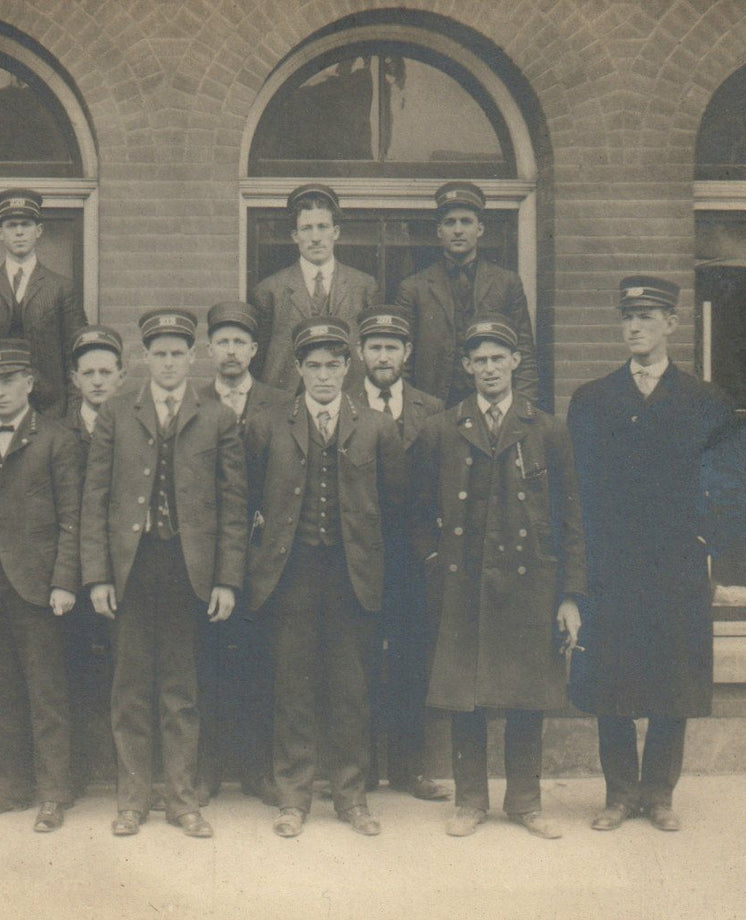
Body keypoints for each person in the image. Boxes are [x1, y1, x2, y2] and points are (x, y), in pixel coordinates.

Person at [567, 276, 736, 833]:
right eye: (627, 317)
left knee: (673, 678)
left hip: (675, 567)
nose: (635, 327)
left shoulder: (705, 401)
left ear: (671, 324)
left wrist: (707, 550)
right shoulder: (592, 400)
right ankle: (618, 793)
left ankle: (659, 793)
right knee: (611, 675)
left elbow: (726, 487)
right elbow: (578, 489)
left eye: (648, 316)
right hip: (612, 566)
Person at [411, 315, 585, 839]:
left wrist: (570, 594)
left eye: (497, 358)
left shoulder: (547, 429)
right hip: (462, 584)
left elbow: (572, 518)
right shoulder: (443, 427)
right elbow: (415, 512)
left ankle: (526, 803)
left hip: (530, 585)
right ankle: (470, 802)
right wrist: (432, 564)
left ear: (514, 362)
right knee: (466, 695)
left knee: (526, 695)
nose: (489, 368)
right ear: (466, 367)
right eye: (478, 360)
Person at [81, 308, 247, 839]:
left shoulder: (217, 415)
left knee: (181, 689)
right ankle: (131, 801)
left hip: (187, 570)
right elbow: (96, 500)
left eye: (179, 353)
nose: (170, 362)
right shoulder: (116, 414)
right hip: (132, 568)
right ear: (143, 359)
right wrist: (98, 576)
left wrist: (226, 579)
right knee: (129, 688)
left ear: (193, 357)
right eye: (160, 354)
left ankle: (181, 799)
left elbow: (233, 506)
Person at [246, 316, 406, 838]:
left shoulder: (376, 426)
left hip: (351, 573)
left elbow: (395, 509)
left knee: (350, 688)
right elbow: (248, 498)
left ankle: (351, 797)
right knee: (291, 686)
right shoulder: (269, 422)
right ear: (297, 368)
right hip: (291, 573)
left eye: (332, 365)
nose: (322, 376)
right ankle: (293, 798)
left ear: (347, 366)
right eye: (312, 366)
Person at [0, 340, 83, 832]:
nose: (0, 392)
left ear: (29, 383)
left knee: (46, 689)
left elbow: (73, 518)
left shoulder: (57, 439)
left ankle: (53, 793)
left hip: (38, 585)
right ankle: (6, 787)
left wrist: (64, 581)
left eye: (9, 381)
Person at [195, 301, 291, 805]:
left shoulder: (280, 403)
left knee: (262, 663)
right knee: (207, 662)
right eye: (222, 342)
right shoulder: (192, 401)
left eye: (240, 342)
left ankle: (259, 770)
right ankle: (207, 768)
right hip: (207, 556)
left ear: (255, 350)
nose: (231, 351)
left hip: (265, 556)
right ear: (210, 349)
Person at [355, 308, 451, 802]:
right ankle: (363, 767)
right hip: (357, 551)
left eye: (393, 347)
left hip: (413, 555)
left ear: (407, 354)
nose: (383, 356)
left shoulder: (432, 410)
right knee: (362, 656)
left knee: (413, 658)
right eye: (374, 346)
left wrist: (433, 549)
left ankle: (410, 767)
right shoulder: (344, 403)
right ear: (360, 353)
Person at [395, 181, 540, 408]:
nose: (458, 230)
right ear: (439, 231)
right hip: (434, 409)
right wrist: (411, 413)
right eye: (450, 222)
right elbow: (402, 360)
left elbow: (524, 353)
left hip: (492, 404)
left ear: (480, 229)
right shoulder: (414, 287)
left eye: (466, 221)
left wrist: (523, 408)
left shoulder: (506, 282)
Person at [62, 324, 126, 797]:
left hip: (119, 568)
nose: (98, 381)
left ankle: (124, 770)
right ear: (74, 379)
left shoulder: (136, 424)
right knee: (73, 668)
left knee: (124, 669)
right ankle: (77, 769)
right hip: (68, 568)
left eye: (107, 372)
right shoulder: (55, 427)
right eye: (89, 373)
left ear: (121, 376)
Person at [0, 188, 87, 416]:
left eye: (26, 224)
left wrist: (73, 414)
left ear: (38, 231)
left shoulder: (61, 288)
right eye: (11, 225)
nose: (19, 232)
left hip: (50, 411)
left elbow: (76, 358)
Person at [251, 183, 380, 393]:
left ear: (335, 232)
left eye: (322, 227)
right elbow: (258, 360)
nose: (316, 237)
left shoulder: (363, 286)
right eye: (306, 228)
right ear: (295, 236)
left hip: (348, 400)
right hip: (287, 400)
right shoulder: (270, 290)